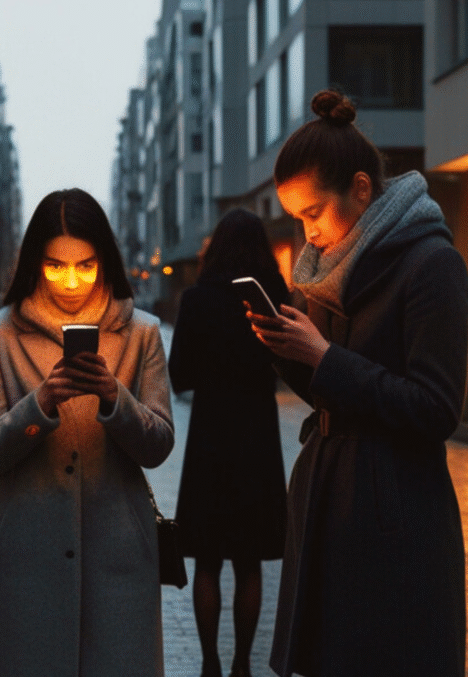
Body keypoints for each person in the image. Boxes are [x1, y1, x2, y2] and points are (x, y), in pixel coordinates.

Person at [246, 90, 468, 677]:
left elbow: (437, 407)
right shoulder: (328, 275)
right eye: (296, 217)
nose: (307, 232)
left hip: (396, 519)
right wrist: (287, 350)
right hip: (330, 501)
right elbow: (332, 389)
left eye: (314, 212)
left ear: (362, 188)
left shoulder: (431, 265)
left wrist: (323, 356)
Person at [0, 188, 175, 677]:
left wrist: (113, 397)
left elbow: (159, 444)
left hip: (119, 555)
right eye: (54, 266)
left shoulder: (141, 332)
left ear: (104, 260)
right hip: (28, 556)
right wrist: (40, 404)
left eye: (85, 265)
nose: (70, 281)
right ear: (33, 263)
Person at [167, 209, 290, 677]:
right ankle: (242, 663)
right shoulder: (274, 298)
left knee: (208, 559)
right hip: (256, 438)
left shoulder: (197, 300)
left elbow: (180, 375)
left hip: (211, 439)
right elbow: (286, 368)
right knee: (250, 560)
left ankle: (210, 664)